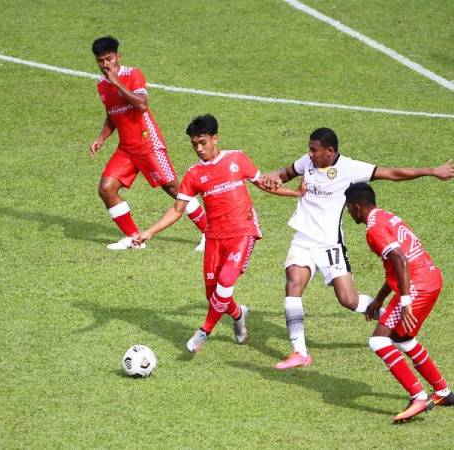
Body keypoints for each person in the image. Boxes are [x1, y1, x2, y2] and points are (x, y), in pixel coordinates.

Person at [264, 128, 454, 369]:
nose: (309, 154)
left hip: (330, 244)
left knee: (348, 300)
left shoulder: (350, 169)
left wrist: (431, 171)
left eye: (314, 150)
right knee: (293, 285)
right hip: (303, 238)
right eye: (310, 149)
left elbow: (392, 173)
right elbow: (287, 172)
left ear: (330, 151)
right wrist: (274, 175)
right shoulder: (308, 161)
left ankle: (387, 319)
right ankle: (299, 352)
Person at [135, 115, 301, 352]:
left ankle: (204, 331)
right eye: (194, 145)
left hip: (243, 233)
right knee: (213, 294)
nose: (199, 149)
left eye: (203, 142)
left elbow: (263, 183)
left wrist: (296, 194)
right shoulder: (194, 174)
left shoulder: (237, 159)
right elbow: (177, 209)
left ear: (215, 138)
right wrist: (150, 232)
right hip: (214, 237)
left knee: (225, 283)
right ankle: (238, 314)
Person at [344, 182, 452, 421]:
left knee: (379, 340)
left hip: (416, 286)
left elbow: (401, 261)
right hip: (430, 279)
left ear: (357, 206)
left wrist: (404, 301)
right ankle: (443, 391)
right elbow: (396, 265)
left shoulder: (373, 230)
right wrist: (379, 300)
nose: (349, 213)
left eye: (349, 208)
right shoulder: (387, 216)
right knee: (403, 338)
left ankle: (419, 397)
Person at [90, 36, 207, 251]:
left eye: (109, 59)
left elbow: (142, 105)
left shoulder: (132, 75)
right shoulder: (101, 86)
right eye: (100, 61)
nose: (105, 65)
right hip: (126, 149)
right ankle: (133, 238)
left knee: (174, 190)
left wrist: (117, 82)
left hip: (148, 144)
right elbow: (113, 114)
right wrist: (101, 138)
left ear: (118, 57)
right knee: (107, 189)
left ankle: (210, 233)